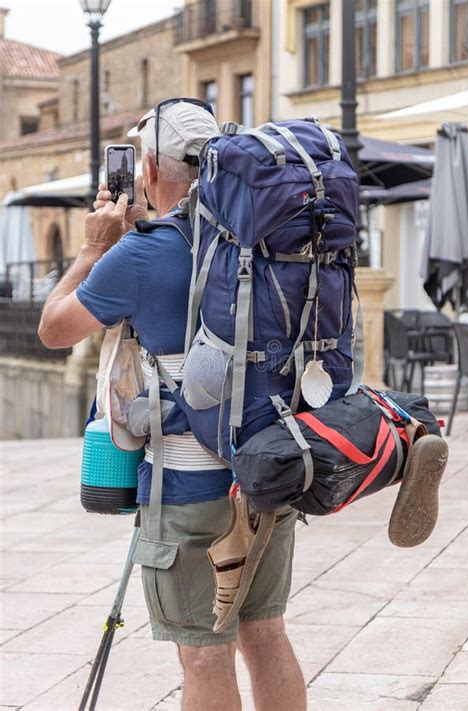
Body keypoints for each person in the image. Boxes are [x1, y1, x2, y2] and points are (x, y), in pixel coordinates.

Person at [38, 99, 307, 711]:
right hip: (269, 470)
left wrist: (93, 249)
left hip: (188, 491)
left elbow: (55, 328)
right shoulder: (263, 241)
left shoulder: (141, 253)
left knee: (204, 651)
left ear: (150, 172)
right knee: (265, 634)